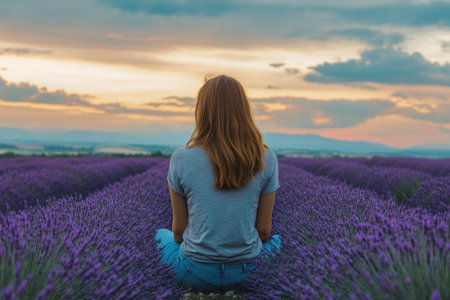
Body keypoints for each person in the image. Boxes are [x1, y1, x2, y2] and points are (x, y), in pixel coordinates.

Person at [154, 74, 282, 294]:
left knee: (160, 235)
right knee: (278, 241)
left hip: (193, 273)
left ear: (202, 111)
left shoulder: (181, 158)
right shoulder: (266, 157)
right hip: (249, 273)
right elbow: (263, 231)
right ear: (243, 110)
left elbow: (178, 231)